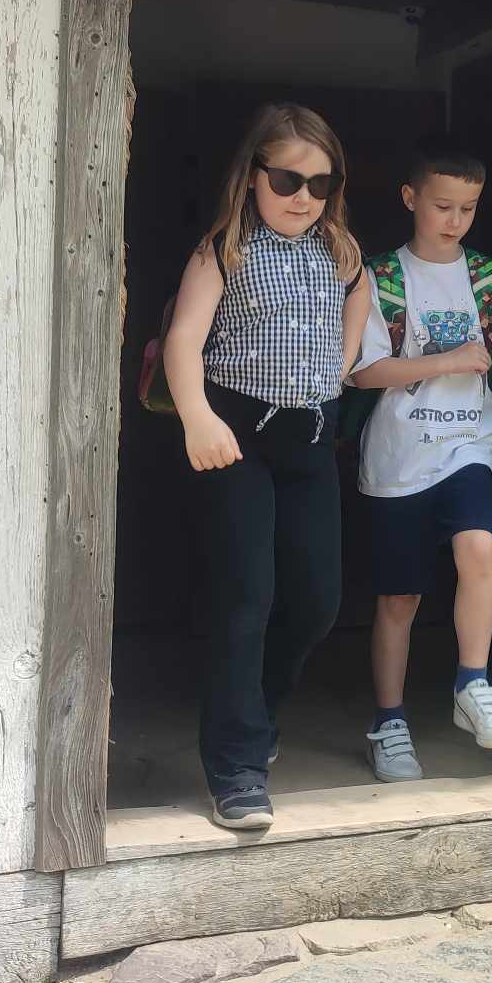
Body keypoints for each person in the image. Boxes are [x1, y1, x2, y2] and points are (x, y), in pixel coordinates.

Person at [160, 103, 372, 831]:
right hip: (236, 436)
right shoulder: (223, 248)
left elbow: (359, 303)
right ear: (253, 175)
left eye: (322, 183)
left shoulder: (339, 249)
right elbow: (185, 339)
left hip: (309, 436)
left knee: (316, 600)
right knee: (245, 599)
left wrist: (338, 367)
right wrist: (197, 416)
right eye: (287, 180)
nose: (303, 197)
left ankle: (259, 712)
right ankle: (236, 766)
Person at [348, 137, 492, 782]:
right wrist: (447, 362)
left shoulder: (487, 277)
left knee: (480, 547)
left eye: (468, 208)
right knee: (399, 598)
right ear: (410, 198)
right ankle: (389, 722)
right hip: (399, 458)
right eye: (442, 206)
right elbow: (362, 371)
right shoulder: (380, 278)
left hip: (467, 444)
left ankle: (472, 684)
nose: (455, 220)